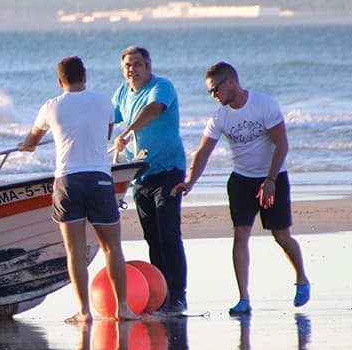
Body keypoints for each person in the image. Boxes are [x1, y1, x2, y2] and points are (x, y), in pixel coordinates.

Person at [172, 62, 311, 315]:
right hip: (241, 180)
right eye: (210, 92)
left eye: (215, 90)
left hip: (273, 176)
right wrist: (190, 182)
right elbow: (203, 152)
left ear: (231, 83)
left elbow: (282, 145)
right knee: (241, 235)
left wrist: (270, 181)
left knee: (281, 236)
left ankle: (302, 278)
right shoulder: (220, 116)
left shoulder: (264, 105)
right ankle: (244, 299)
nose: (213, 95)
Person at [18, 56, 141, 324]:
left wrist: (24, 146)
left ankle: (84, 311)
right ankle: (123, 308)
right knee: (112, 248)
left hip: (68, 182)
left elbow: (32, 141)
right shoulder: (104, 102)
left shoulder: (50, 106)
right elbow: (107, 134)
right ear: (85, 77)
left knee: (74, 250)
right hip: (98, 178)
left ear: (60, 81)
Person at [111, 45, 189, 314]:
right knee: (153, 238)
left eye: (137, 64)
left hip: (168, 171)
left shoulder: (161, 87)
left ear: (148, 66)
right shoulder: (122, 93)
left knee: (169, 235)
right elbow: (107, 119)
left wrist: (128, 130)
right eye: (127, 66)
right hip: (140, 174)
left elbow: (152, 111)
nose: (132, 69)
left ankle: (178, 296)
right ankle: (161, 295)